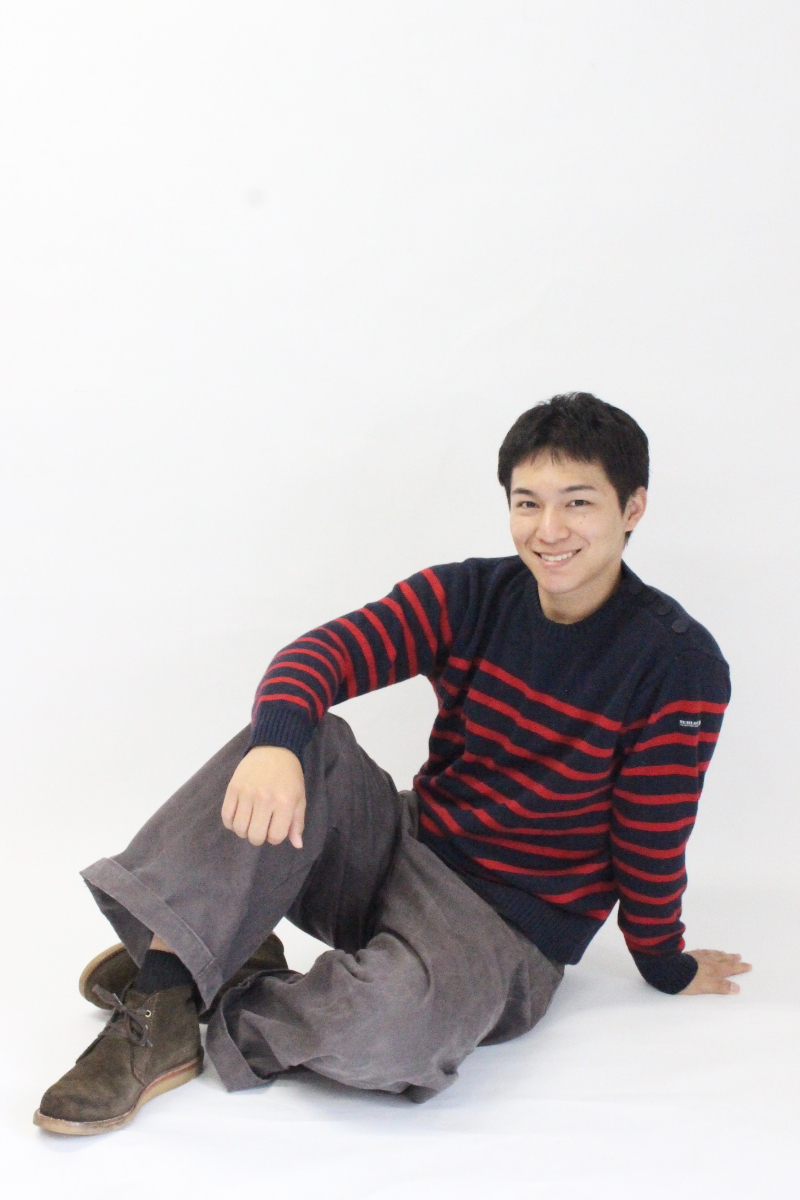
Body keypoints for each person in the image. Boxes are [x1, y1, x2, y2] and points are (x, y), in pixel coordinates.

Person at [34, 392, 751, 1136]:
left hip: (505, 929)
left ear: (632, 508)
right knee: (300, 738)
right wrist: (276, 742)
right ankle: (160, 995)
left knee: (386, 1033)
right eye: (527, 503)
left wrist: (665, 963)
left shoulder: (678, 665)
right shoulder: (471, 595)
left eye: (578, 503)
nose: (549, 529)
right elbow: (323, 653)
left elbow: (651, 835)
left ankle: (210, 973)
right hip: (400, 846)